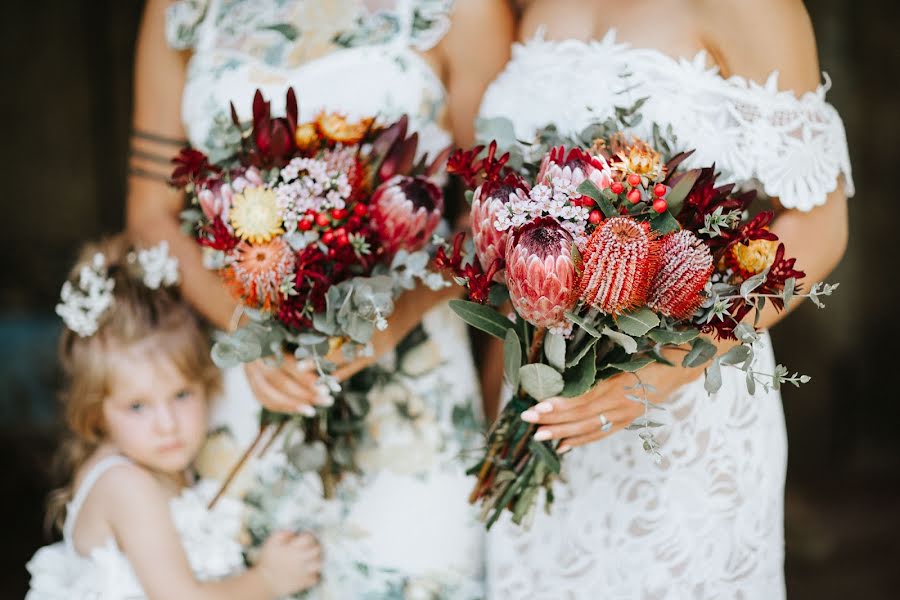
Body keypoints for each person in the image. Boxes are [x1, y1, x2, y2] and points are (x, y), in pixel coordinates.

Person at [126, 1, 514, 596]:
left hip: (413, 400)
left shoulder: (463, 10)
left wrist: (396, 313)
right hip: (244, 385)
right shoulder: (182, 11)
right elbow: (151, 216)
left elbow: (501, 212)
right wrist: (246, 329)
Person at [478, 0, 852, 597]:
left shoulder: (755, 10)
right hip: (542, 405)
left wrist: (660, 372)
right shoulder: (533, 7)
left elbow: (821, 225)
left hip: (682, 406)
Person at [25, 236, 321, 599]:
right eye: (137, 406)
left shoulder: (157, 467)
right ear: (97, 413)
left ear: (206, 386)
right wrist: (268, 580)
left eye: (181, 395)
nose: (166, 424)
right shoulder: (125, 484)